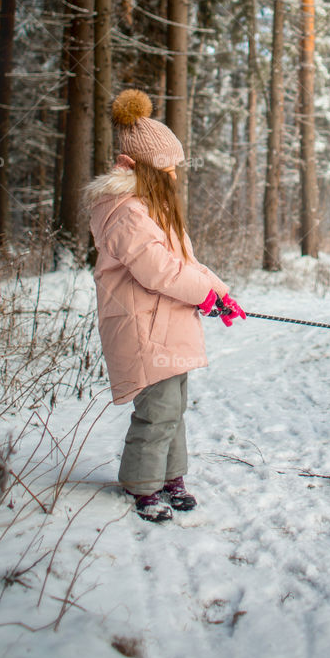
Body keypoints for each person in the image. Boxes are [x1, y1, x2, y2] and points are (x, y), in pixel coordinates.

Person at [84, 88, 246, 523]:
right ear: (146, 169)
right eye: (168, 167)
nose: (174, 175)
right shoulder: (126, 212)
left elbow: (184, 263)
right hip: (143, 326)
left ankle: (170, 477)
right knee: (156, 412)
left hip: (166, 322)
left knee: (173, 408)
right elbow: (158, 271)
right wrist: (204, 296)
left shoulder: (150, 207)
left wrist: (221, 294)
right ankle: (142, 484)